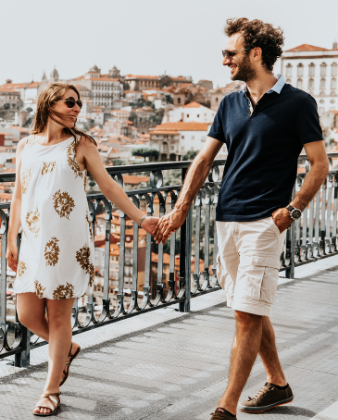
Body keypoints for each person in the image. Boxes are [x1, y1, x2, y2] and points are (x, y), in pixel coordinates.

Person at [154, 18, 328, 420]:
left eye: (230, 53)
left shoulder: (298, 103)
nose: (223, 60)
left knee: (246, 315)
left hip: (264, 224)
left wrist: (294, 209)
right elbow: (203, 160)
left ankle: (225, 407)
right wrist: (180, 208)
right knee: (249, 307)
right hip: (226, 219)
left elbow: (319, 165)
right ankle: (278, 385)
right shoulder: (230, 102)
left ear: (255, 54)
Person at [7, 82, 159, 416]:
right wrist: (10, 238)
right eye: (71, 102)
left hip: (68, 241)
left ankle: (50, 390)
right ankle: (67, 349)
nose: (77, 108)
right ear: (49, 104)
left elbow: (108, 186)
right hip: (33, 241)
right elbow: (18, 194)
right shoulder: (25, 146)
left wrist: (141, 218)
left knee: (59, 316)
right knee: (26, 314)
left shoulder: (81, 145)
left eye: (80, 104)